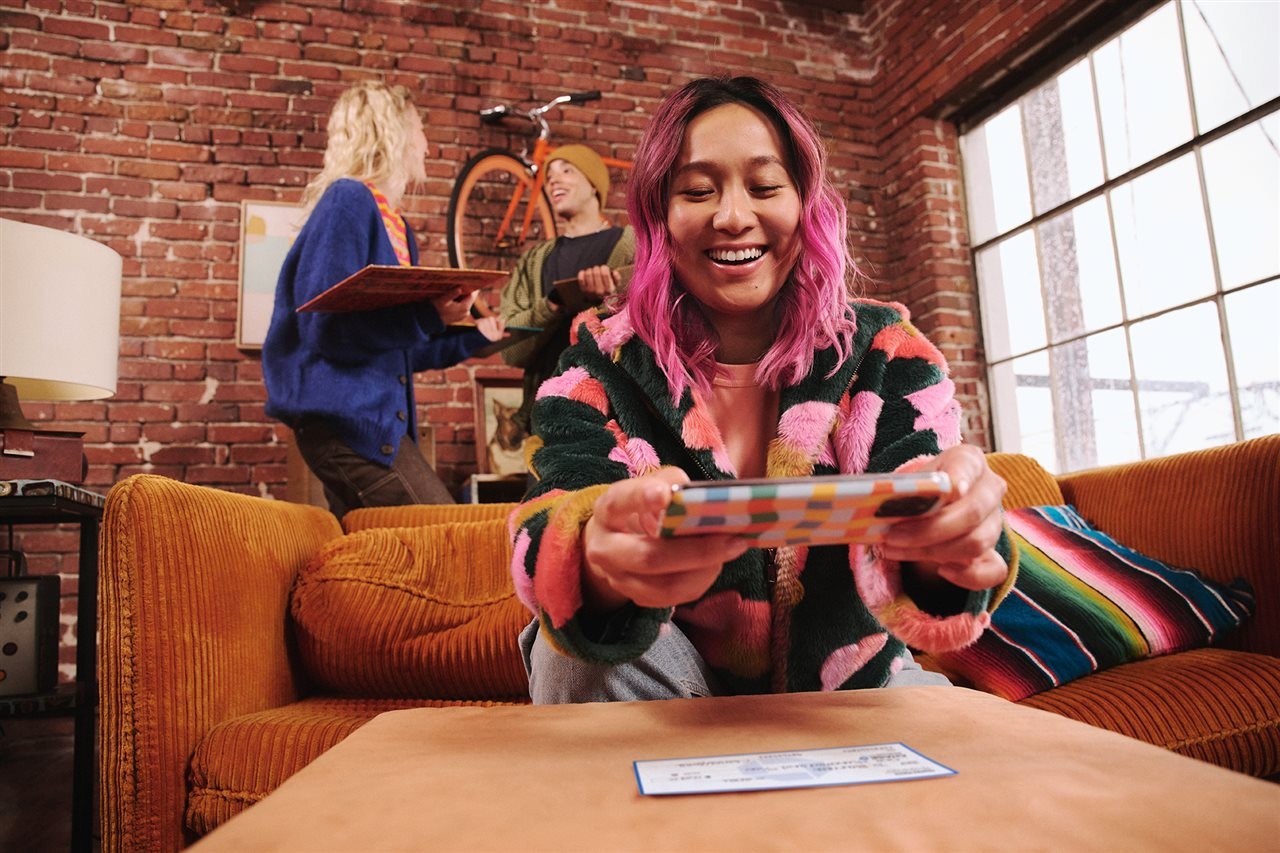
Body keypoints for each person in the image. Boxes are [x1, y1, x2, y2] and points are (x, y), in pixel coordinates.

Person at [508, 76, 1015, 704]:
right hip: (663, 692)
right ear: (658, 217)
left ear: (806, 203)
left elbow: (920, 494)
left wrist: (947, 545)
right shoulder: (597, 366)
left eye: (765, 186)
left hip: (845, 695)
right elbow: (554, 510)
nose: (732, 217)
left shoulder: (886, 353)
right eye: (696, 191)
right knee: (572, 657)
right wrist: (595, 560)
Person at [263, 80, 504, 516]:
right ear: (392, 133)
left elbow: (399, 346)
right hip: (350, 425)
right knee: (448, 539)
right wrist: (428, 315)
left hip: (370, 425)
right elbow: (327, 330)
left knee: (375, 562)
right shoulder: (348, 200)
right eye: (419, 130)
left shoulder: (397, 226)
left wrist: (476, 337)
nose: (427, 145)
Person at [498, 144, 635, 437]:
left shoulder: (631, 245)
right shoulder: (535, 261)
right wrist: (552, 305)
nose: (554, 180)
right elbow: (510, 350)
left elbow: (662, 298)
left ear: (593, 184)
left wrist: (615, 285)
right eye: (550, 176)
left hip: (619, 420)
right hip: (548, 422)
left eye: (567, 171)